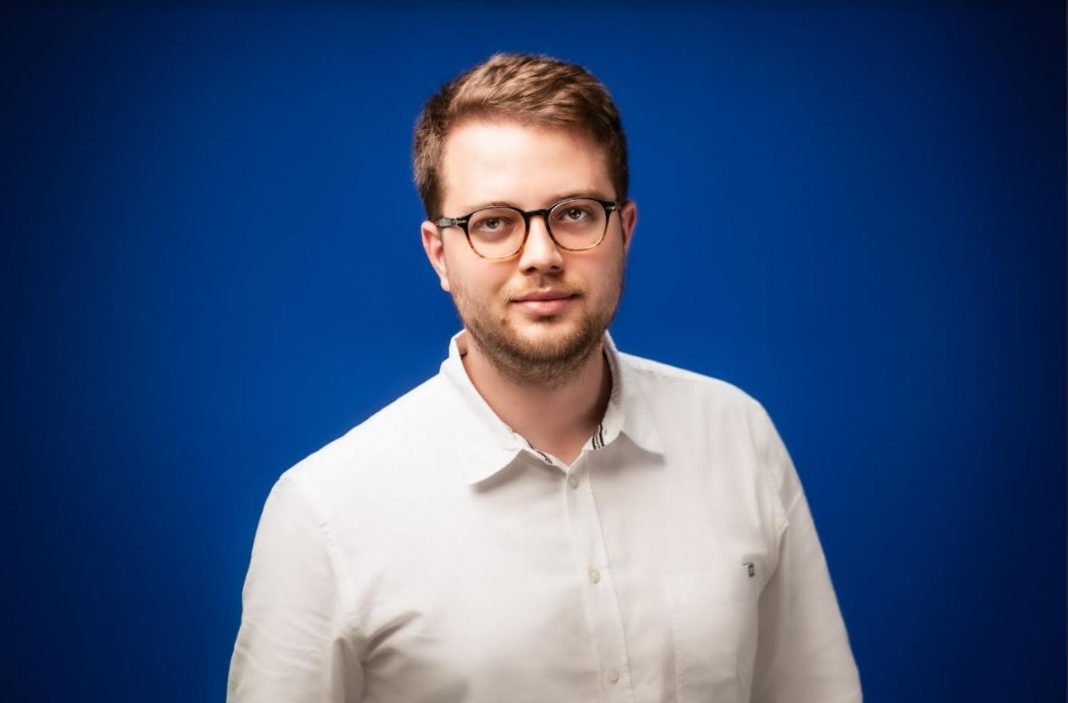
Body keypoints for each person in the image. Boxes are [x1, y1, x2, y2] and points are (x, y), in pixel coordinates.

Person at [227, 52, 862, 703]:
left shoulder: (737, 436)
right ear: (439, 254)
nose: (541, 256)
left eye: (575, 213)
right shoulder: (326, 513)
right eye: (493, 223)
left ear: (625, 230)